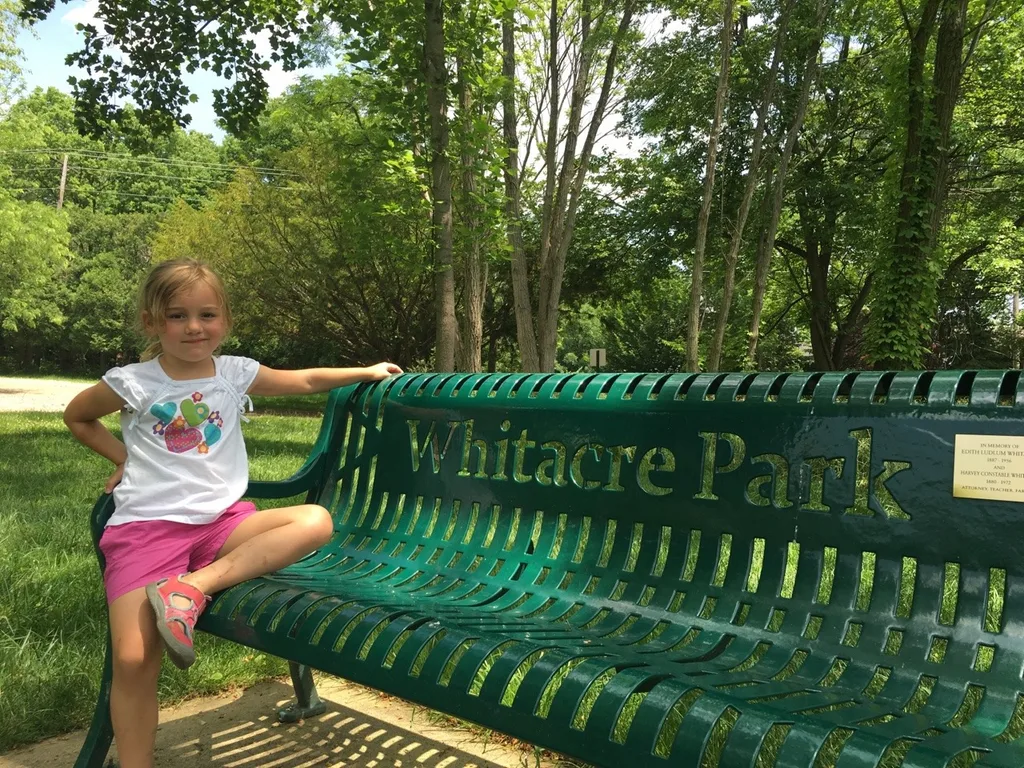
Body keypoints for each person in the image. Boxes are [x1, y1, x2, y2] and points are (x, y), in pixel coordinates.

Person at [63, 258, 403, 768]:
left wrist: (366, 371)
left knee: (315, 521)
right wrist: (124, 458)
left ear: (225, 319)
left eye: (207, 314)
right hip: (146, 530)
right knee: (134, 659)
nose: (194, 327)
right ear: (152, 321)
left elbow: (306, 380)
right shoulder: (133, 381)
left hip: (224, 526)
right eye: (177, 316)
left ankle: (191, 589)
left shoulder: (234, 373)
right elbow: (77, 416)